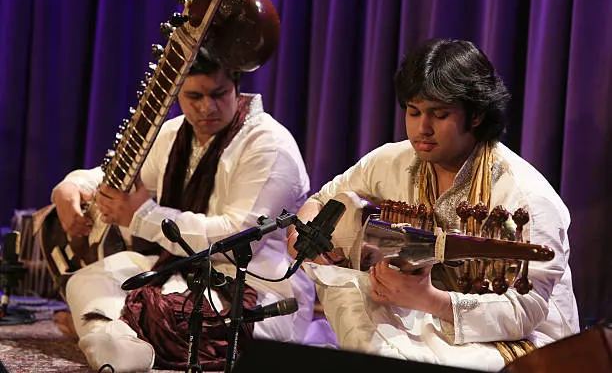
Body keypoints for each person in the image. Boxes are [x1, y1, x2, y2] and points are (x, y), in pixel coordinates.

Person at [287, 38, 580, 371]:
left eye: (439, 115)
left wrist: (430, 299)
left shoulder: (526, 198)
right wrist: (301, 235)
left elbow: (526, 311)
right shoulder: (393, 161)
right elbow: (323, 199)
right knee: (342, 283)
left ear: (476, 116)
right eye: (413, 112)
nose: (422, 129)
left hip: (515, 340)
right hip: (423, 313)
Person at [51, 47, 315, 372]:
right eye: (194, 96)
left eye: (218, 94)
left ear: (236, 86)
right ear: (177, 94)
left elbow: (238, 240)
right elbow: (116, 175)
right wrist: (71, 186)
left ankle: (110, 335)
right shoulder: (173, 134)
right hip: (179, 273)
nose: (207, 107)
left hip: (254, 289)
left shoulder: (269, 146)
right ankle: (121, 338)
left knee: (182, 322)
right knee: (85, 281)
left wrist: (141, 217)